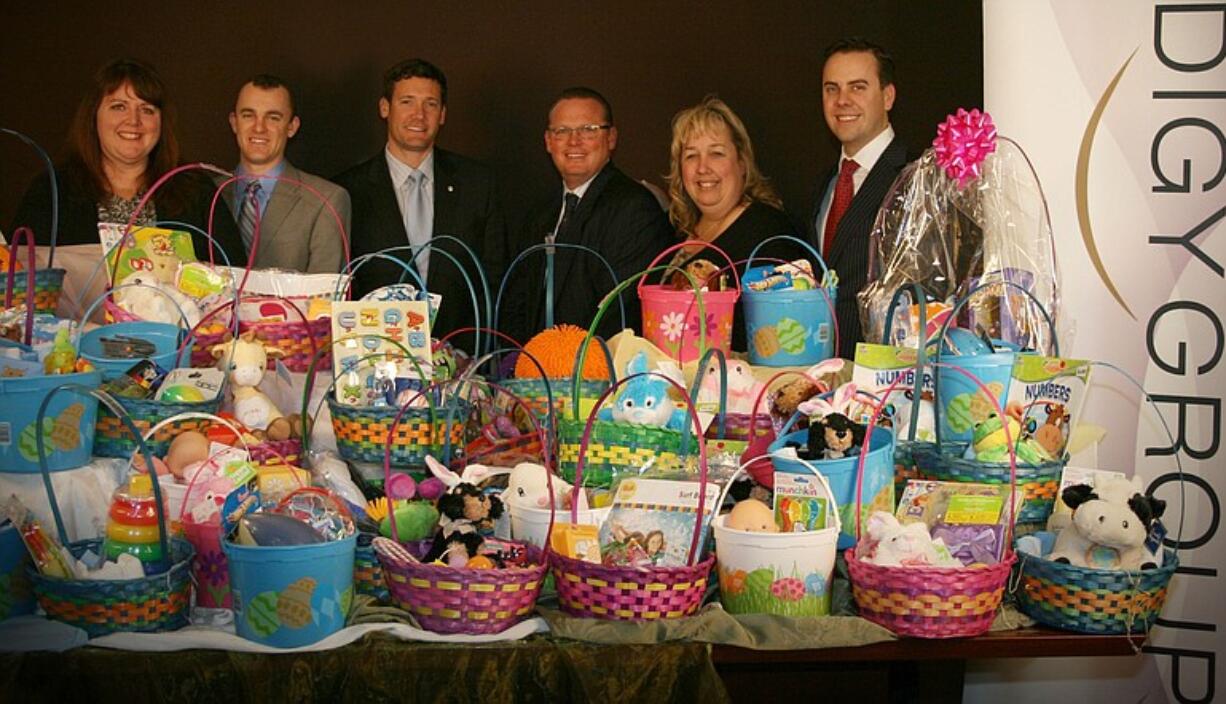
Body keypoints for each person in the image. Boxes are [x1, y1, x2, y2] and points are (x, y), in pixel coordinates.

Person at [334, 59, 506, 343]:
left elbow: (494, 280)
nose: (419, 115)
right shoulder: (347, 191)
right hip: (377, 363)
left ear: (443, 115)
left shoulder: (479, 184)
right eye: (407, 102)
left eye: (430, 104)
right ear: (384, 108)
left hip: (461, 362)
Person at [10, 58, 244, 265]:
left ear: (161, 123)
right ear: (94, 116)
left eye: (147, 109)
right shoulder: (51, 192)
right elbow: (17, 279)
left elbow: (235, 278)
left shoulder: (197, 192)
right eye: (118, 106)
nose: (133, 121)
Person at [509, 87, 673, 342]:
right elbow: (518, 300)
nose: (574, 141)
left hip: (596, 373)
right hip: (533, 372)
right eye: (562, 131)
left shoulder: (635, 208)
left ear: (611, 138)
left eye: (588, 129)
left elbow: (620, 312)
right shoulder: (539, 213)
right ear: (548, 141)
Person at [664, 96, 800, 352]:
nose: (703, 168)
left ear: (741, 163)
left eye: (716, 153)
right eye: (691, 156)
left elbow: (782, 337)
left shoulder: (769, 232)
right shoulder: (673, 230)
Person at [810, 38, 910, 360]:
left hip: (883, 383)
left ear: (888, 96)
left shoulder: (916, 177)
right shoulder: (824, 183)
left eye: (857, 87)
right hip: (822, 376)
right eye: (831, 89)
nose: (842, 101)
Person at [218, 75, 349, 273]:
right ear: (234, 122)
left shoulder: (325, 201)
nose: (259, 127)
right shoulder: (207, 193)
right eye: (248, 115)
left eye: (273, 117)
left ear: (292, 127)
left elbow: (325, 297)